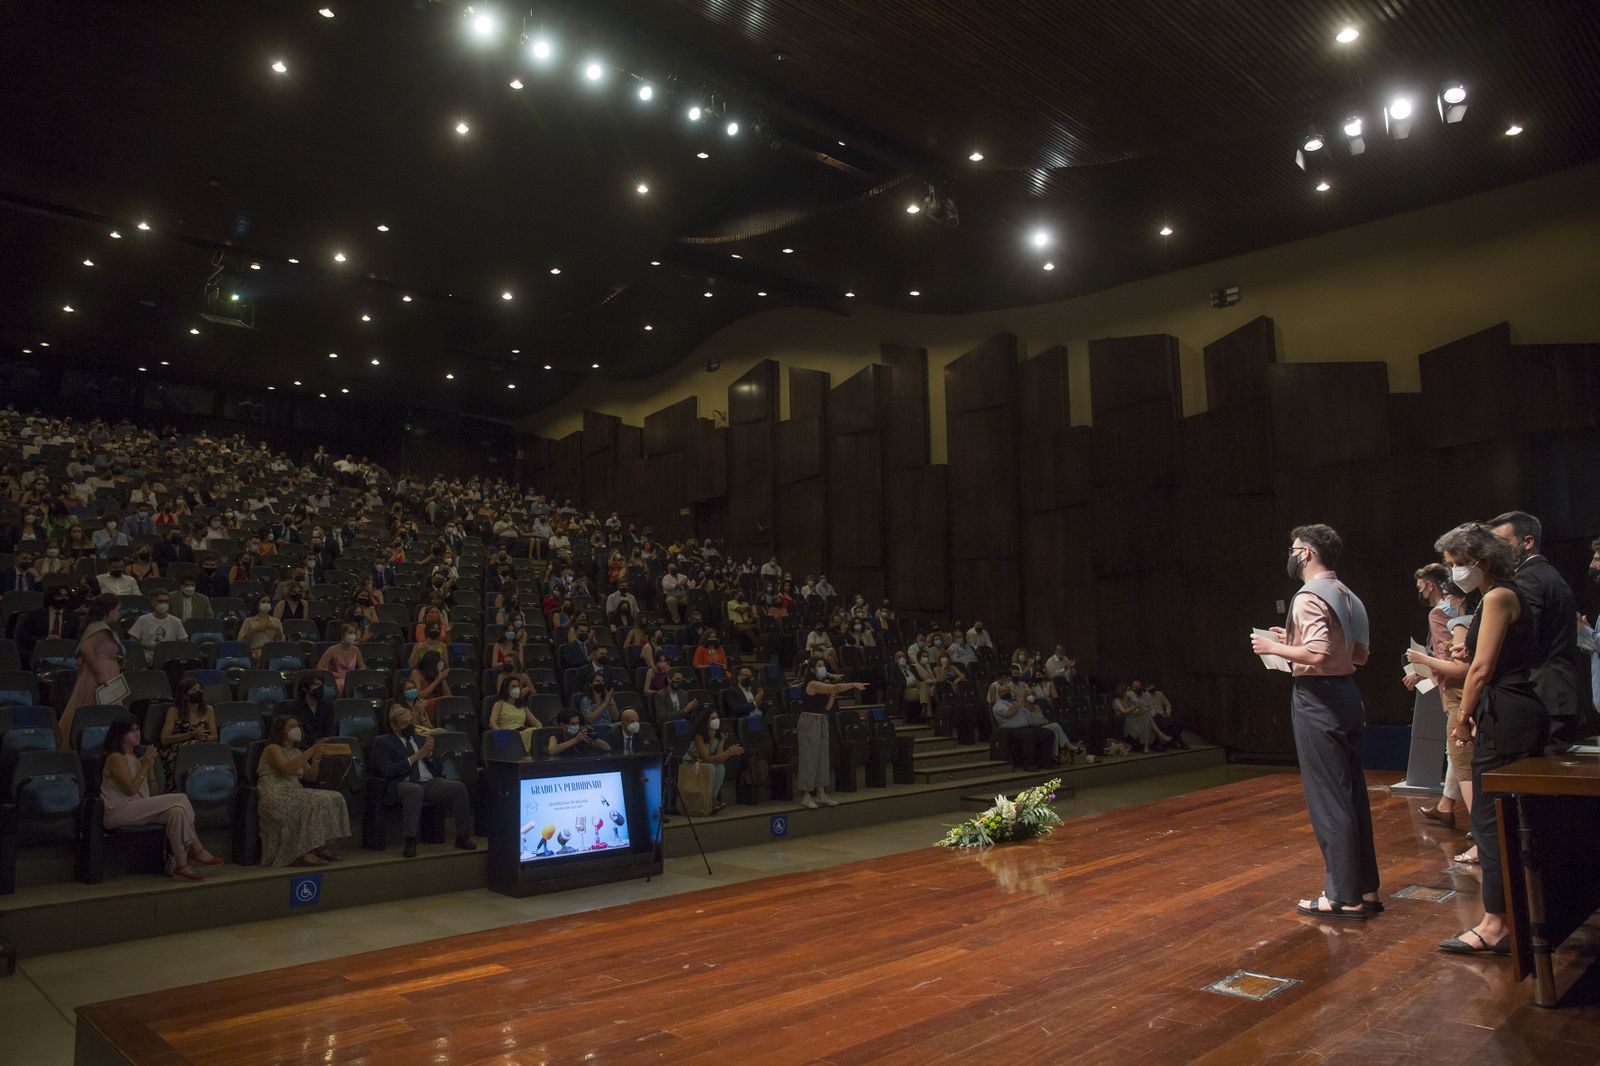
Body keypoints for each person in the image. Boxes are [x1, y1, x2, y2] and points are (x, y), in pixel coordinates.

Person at [1250, 523, 1379, 921]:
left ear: (1305, 553)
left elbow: (1320, 654)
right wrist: (1291, 640)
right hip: (1347, 696)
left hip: (1318, 699)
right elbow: (1357, 656)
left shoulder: (1307, 596)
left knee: (1328, 797)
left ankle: (1343, 896)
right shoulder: (1347, 594)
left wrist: (1274, 647)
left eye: (1293, 548)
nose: (1290, 554)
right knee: (1353, 793)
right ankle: (1366, 889)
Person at [1433, 521, 1548, 956]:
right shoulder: (1498, 596)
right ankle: (1511, 915)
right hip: (1514, 708)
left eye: (1458, 564)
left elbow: (1481, 671)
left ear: (1481, 561)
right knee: (1500, 820)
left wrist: (1463, 717)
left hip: (1506, 713)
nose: (1455, 573)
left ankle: (1496, 923)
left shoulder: (1499, 595)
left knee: (1489, 821)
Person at [1488, 511, 1583, 743]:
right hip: (1558, 692)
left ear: (1528, 542)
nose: (1495, 552)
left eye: (1502, 543)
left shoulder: (1528, 578)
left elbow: (1524, 637)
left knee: (1545, 776)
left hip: (1544, 694)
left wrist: (1482, 645)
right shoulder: (1548, 573)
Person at [100, 717, 221, 881]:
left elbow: (153, 795)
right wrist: (144, 766)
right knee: (181, 798)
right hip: (118, 811)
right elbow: (130, 790)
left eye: (138, 729)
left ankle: (182, 864)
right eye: (132, 730)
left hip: (136, 809)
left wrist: (149, 770)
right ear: (121, 735)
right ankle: (198, 849)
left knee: (177, 811)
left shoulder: (136, 758)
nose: (137, 733)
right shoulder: (115, 758)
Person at [1406, 580, 1476, 862]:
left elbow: (1461, 668)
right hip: (1469, 698)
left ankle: (1484, 840)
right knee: (1460, 761)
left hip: (1461, 699)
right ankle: (1448, 806)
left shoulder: (1460, 622)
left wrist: (1425, 661)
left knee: (1462, 764)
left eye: (1448, 595)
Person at [372, 704, 477, 857]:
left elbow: (439, 768)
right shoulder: (385, 743)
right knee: (415, 790)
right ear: (394, 726)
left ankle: (462, 836)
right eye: (404, 724)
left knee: (458, 787)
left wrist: (431, 756)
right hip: (403, 783)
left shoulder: (421, 739)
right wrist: (416, 756)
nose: (409, 726)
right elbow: (385, 770)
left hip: (428, 781)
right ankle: (410, 840)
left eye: (410, 722)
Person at [256, 713, 352, 866]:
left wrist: (316, 759)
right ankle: (306, 852)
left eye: (297, 726)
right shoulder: (272, 748)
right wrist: (312, 750)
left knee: (334, 797)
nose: (297, 729)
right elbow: (287, 769)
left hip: (294, 790)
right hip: (274, 793)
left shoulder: (297, 751)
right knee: (310, 802)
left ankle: (322, 845)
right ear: (281, 731)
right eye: (292, 727)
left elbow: (311, 777)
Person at [794, 657, 867, 809]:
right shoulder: (812, 684)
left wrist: (833, 694)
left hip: (822, 720)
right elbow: (834, 687)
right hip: (809, 721)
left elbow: (827, 707)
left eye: (824, 666)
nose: (823, 668)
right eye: (820, 666)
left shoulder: (823, 685)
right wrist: (852, 684)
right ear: (813, 669)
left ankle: (821, 792)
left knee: (822, 757)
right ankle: (806, 795)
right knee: (810, 757)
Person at [60, 594, 125, 747]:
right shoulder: (99, 627)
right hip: (100, 674)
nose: (118, 614)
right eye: (117, 610)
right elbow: (86, 649)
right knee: (94, 707)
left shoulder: (99, 627)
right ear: (108, 611)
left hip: (107, 670)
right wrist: (99, 673)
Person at [683, 707, 745, 814]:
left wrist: (724, 745)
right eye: (713, 718)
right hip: (692, 763)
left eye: (717, 717)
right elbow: (706, 757)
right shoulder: (699, 736)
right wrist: (729, 752)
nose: (716, 720)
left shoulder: (717, 736)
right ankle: (709, 801)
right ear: (706, 720)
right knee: (711, 767)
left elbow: (718, 757)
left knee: (720, 767)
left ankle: (712, 799)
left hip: (705, 763)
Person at [158, 680, 218, 784]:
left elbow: (215, 737)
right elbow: (164, 739)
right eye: (194, 690)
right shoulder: (173, 712)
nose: (198, 692)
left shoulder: (209, 710)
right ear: (184, 695)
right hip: (178, 749)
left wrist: (202, 738)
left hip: (202, 746)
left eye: (199, 689)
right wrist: (190, 735)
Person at [488, 673, 541, 751]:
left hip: (522, 732)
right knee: (530, 732)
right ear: (506, 689)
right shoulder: (499, 704)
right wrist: (502, 735)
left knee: (533, 732)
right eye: (513, 686)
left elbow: (536, 722)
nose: (517, 689)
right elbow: (492, 722)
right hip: (508, 734)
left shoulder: (522, 706)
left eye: (518, 686)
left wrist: (539, 730)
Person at [125, 591, 189, 656]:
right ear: (153, 603)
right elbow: (132, 640)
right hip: (148, 654)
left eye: (166, 601)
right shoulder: (143, 619)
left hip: (169, 655)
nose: (164, 604)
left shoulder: (176, 621)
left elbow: (184, 642)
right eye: (160, 601)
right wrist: (144, 646)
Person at [315, 624, 367, 696]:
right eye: (350, 633)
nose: (353, 636)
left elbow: (362, 667)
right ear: (342, 635)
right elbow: (319, 667)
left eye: (354, 633)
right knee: (342, 685)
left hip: (352, 680)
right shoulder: (332, 650)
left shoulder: (356, 650)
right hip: (336, 680)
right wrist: (338, 675)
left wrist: (355, 676)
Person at [290, 673, 336, 745]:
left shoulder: (328, 705)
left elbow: (329, 731)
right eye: (316, 684)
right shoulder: (294, 707)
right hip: (302, 747)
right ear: (305, 689)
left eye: (321, 685)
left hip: (323, 746)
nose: (320, 688)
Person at [238, 595, 285, 664]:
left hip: (272, 651)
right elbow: (240, 640)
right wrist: (254, 630)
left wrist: (277, 630)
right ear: (257, 605)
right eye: (263, 602)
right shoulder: (249, 621)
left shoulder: (276, 621)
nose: (266, 604)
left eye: (268, 602)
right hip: (254, 651)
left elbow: (282, 642)